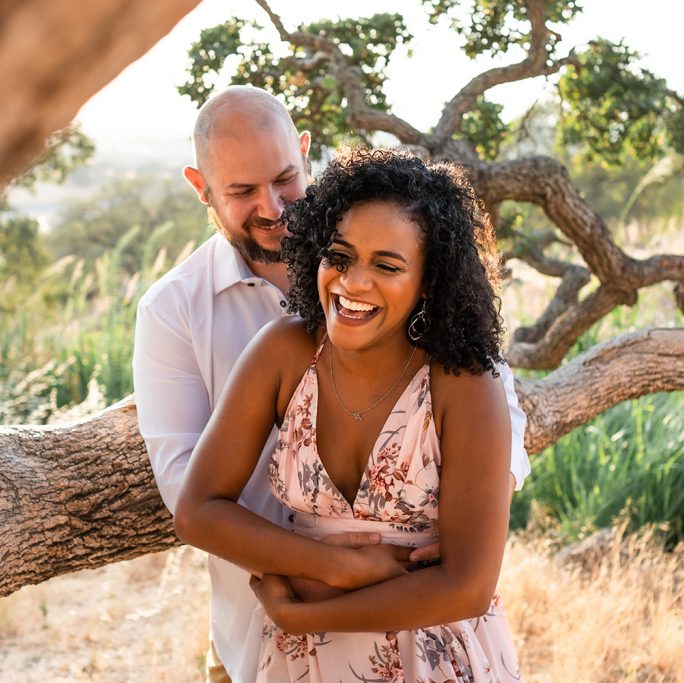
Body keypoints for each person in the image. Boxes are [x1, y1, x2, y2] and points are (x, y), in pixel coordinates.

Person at [132, 86, 529, 683]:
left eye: (284, 179)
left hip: (423, 638)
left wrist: (468, 513)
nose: (271, 207)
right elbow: (188, 493)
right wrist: (334, 570)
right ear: (202, 188)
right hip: (266, 618)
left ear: (304, 154)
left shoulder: (454, 362)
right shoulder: (192, 317)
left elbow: (499, 428)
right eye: (242, 192)